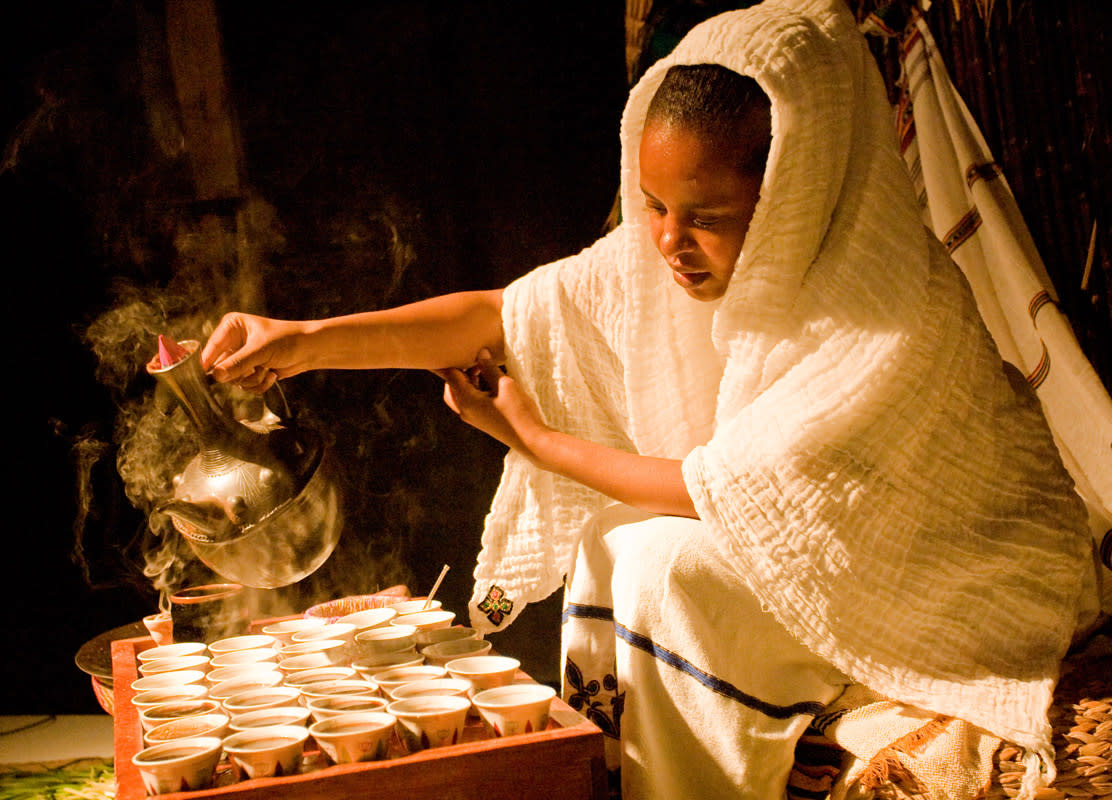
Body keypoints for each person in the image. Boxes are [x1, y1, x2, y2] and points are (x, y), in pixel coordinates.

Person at [201, 1, 1092, 797]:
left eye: (704, 214)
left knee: (656, 565)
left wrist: (537, 441)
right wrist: (302, 342)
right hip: (811, 575)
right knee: (617, 543)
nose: (668, 241)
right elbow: (503, 316)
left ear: (795, 189)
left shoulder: (889, 316)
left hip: (931, 589)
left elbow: (731, 492)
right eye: (653, 203)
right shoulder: (662, 260)